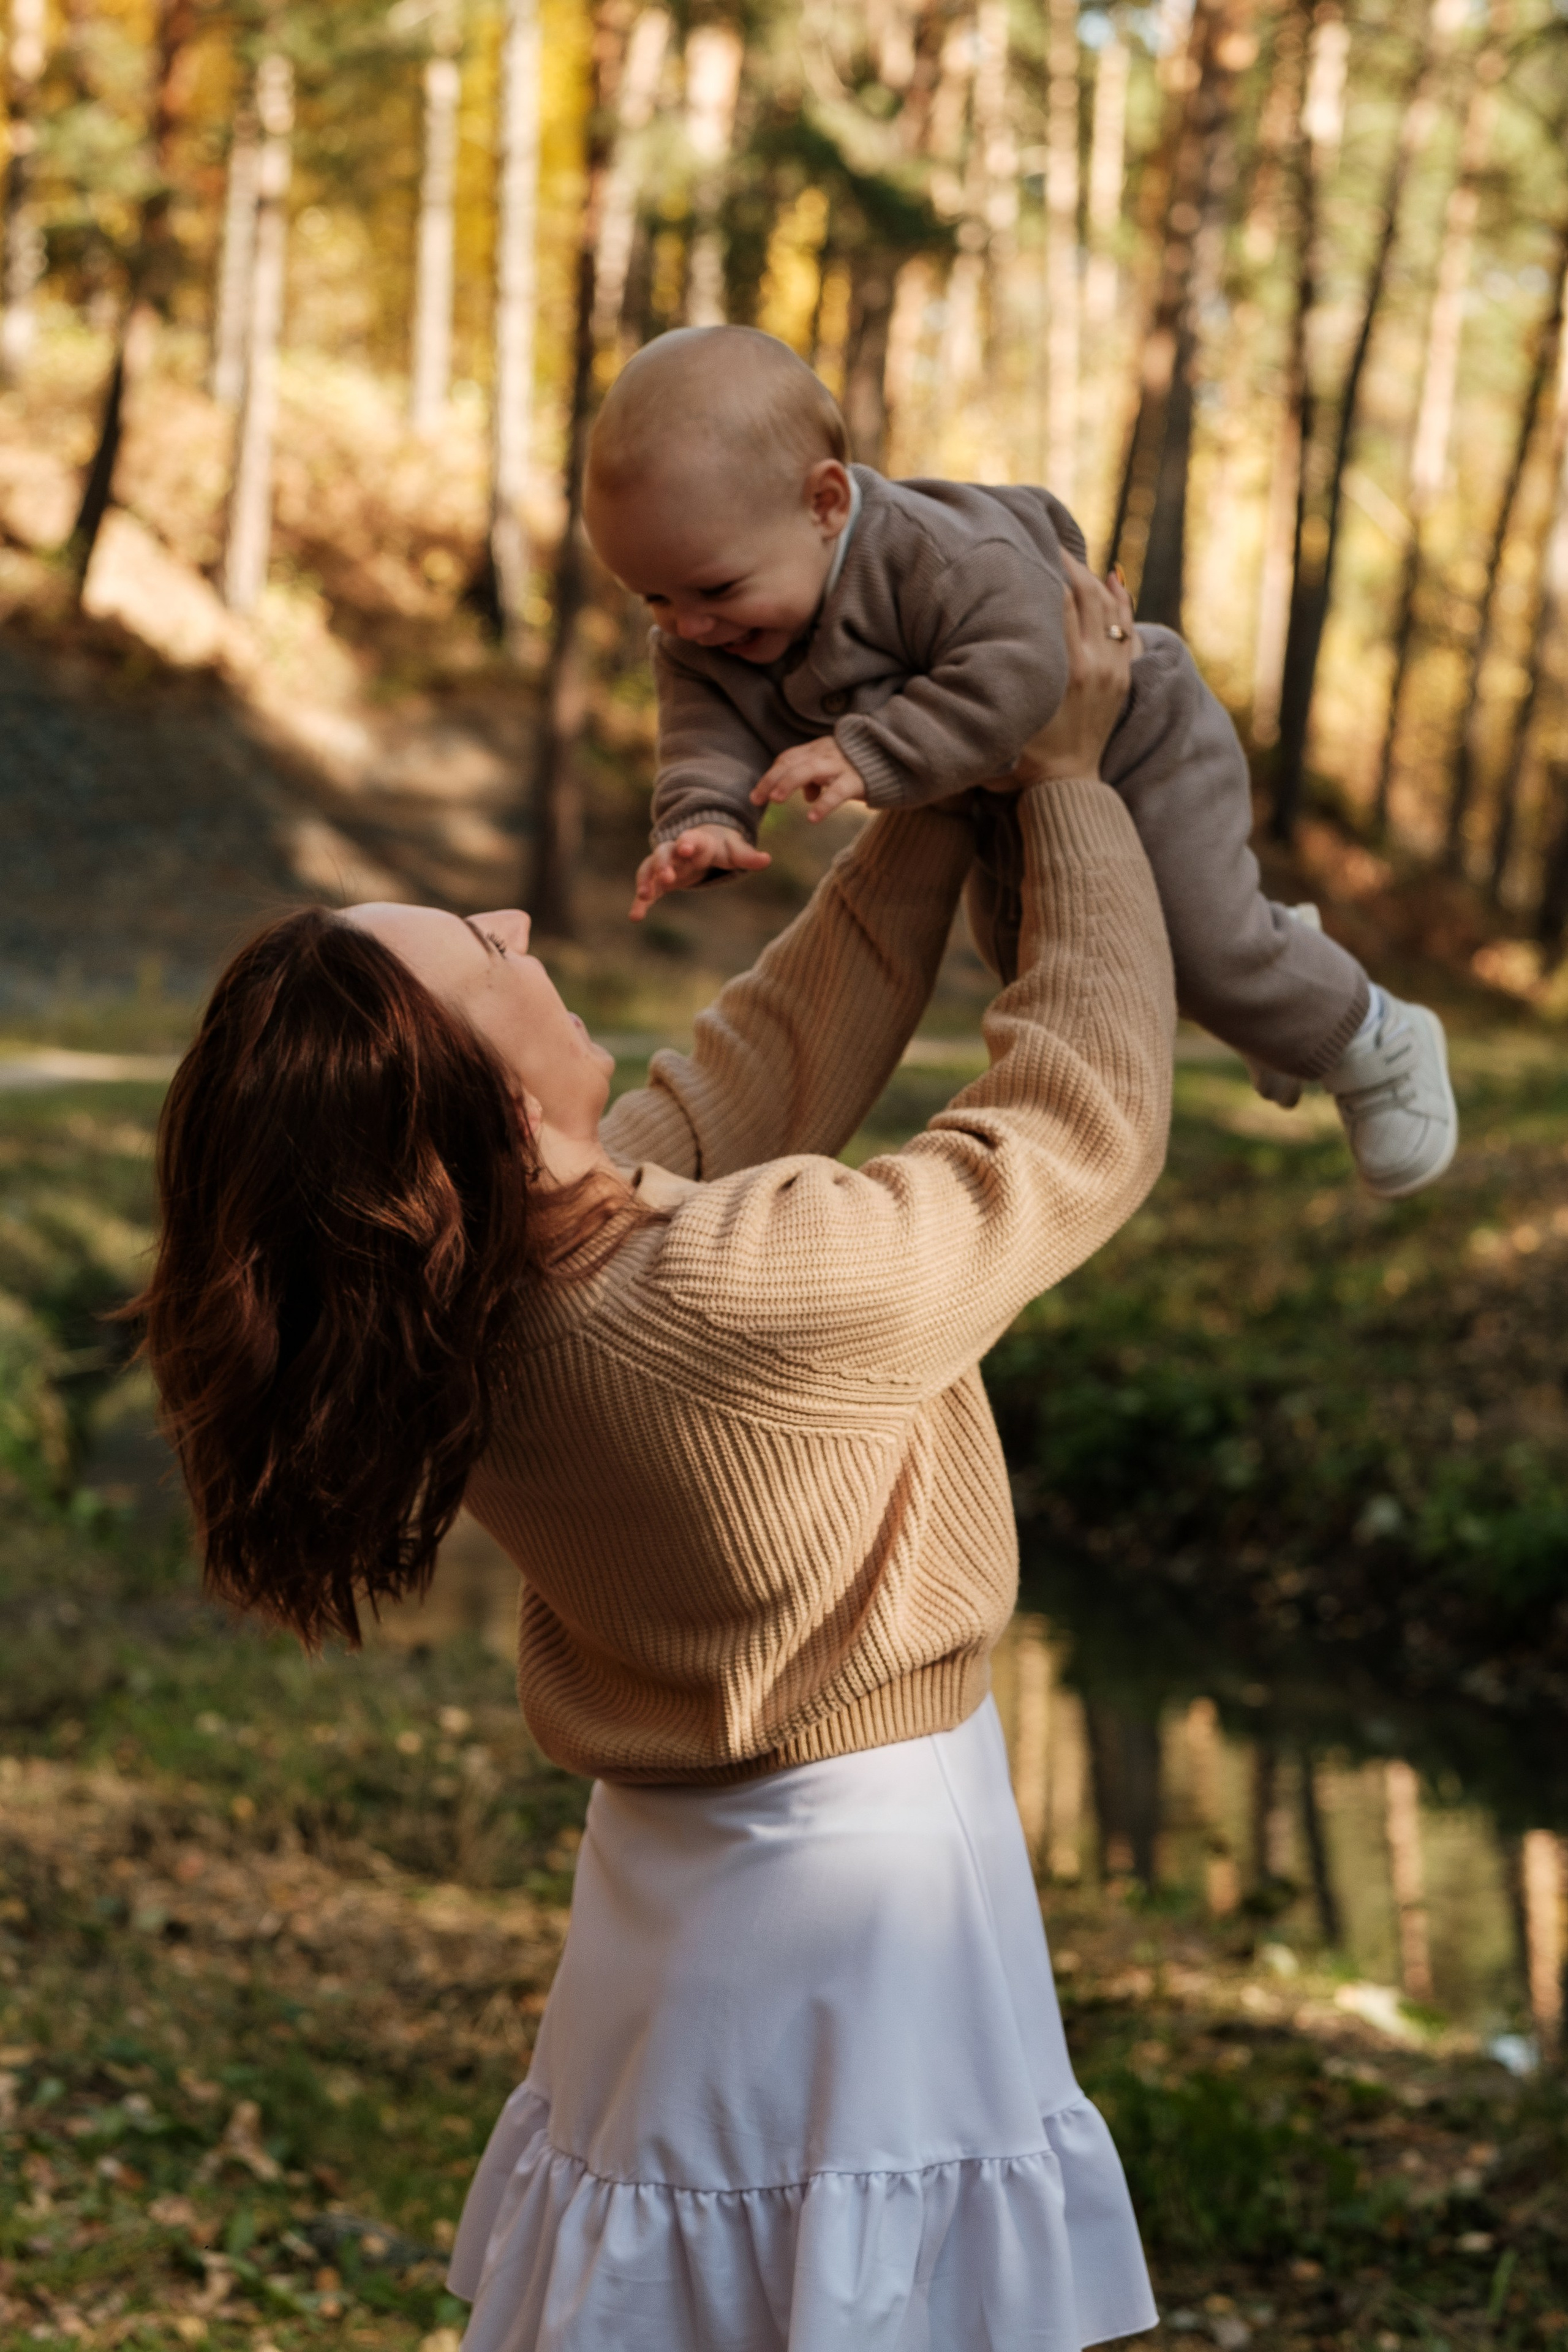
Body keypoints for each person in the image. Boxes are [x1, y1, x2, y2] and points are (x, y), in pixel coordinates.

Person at [139, 562, 1167, 2351]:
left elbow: (771, 1048)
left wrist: (952, 769)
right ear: (483, 1104)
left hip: (682, 1895)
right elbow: (1076, 1120)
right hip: (853, 1922)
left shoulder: (481, 1292)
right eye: (488, 952)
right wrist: (1070, 784)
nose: (520, 930)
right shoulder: (726, 1301)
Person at [582, 323, 1458, 1205]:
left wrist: (867, 750)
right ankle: (1270, 1002)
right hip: (995, 789)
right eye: (653, 597)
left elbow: (1030, 666)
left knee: (1209, 946)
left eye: (715, 590)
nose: (688, 625)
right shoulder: (707, 625)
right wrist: (704, 819)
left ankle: (1373, 1035)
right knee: (1037, 965)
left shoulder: (937, 554)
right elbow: (705, 733)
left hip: (1133, 737)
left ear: (825, 505)